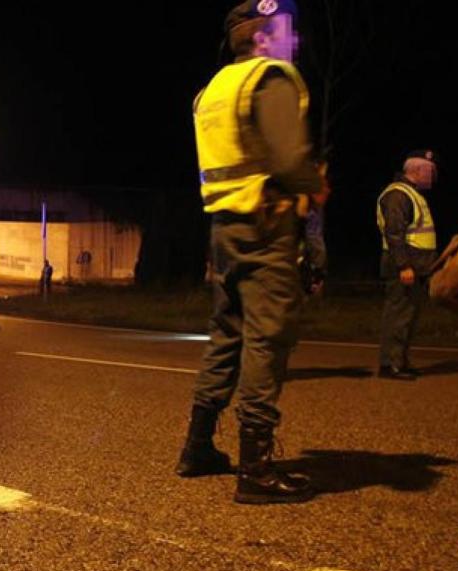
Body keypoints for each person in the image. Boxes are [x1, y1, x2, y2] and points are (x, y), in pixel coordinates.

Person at [176, 0, 326, 505]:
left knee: (226, 336)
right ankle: (255, 471)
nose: (294, 41)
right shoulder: (271, 77)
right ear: (263, 37)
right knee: (267, 338)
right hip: (266, 227)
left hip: (223, 229)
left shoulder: (211, 91)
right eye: (286, 31)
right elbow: (288, 160)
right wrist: (315, 184)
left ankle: (197, 448)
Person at [377, 150, 439, 380]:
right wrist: (404, 266)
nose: (432, 176)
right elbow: (394, 233)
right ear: (417, 169)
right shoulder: (398, 195)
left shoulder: (411, 194)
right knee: (398, 316)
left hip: (416, 266)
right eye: (430, 171)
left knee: (408, 317)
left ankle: (400, 361)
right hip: (404, 266)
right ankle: (390, 365)